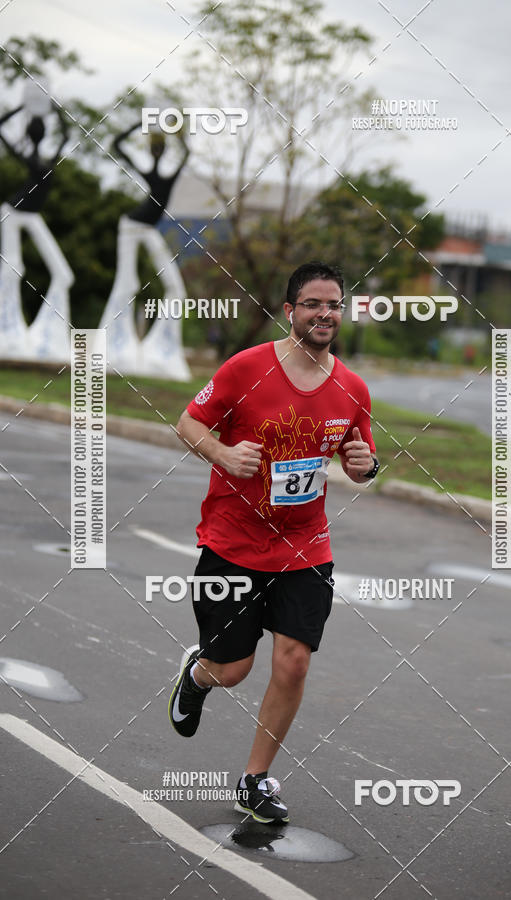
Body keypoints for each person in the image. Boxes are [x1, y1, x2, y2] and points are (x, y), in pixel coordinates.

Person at [169, 261, 379, 824]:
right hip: (233, 545)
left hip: (306, 547)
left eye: (334, 304)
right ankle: (198, 674)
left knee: (294, 664)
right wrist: (221, 454)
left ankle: (254, 780)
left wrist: (366, 467)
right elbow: (189, 422)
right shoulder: (247, 368)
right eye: (313, 303)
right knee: (233, 669)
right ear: (290, 311)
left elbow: (359, 461)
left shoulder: (352, 388)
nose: (325, 313)